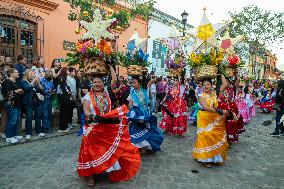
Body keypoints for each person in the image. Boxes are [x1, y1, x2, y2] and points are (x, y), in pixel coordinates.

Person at [77, 66, 140, 186]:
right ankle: (91, 175)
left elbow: (114, 81)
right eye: (95, 82)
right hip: (93, 127)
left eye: (99, 82)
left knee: (109, 148)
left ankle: (110, 169)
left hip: (106, 126)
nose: (97, 84)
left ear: (103, 83)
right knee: (91, 151)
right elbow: (85, 110)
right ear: (91, 83)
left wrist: (110, 65)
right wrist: (93, 117)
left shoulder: (107, 94)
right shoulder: (87, 97)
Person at [192, 78, 229, 168]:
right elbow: (205, 107)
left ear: (211, 85)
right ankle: (205, 159)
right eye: (204, 85)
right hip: (204, 118)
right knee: (205, 136)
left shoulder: (214, 93)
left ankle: (214, 158)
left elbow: (225, 84)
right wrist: (221, 111)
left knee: (214, 136)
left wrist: (220, 70)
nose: (206, 86)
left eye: (208, 84)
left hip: (214, 117)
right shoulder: (201, 95)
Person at [127, 75, 164, 153]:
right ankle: (139, 147)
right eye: (132, 83)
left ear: (139, 83)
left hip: (145, 112)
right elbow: (130, 104)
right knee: (136, 129)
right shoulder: (131, 92)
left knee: (147, 128)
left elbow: (150, 82)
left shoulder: (145, 90)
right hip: (136, 113)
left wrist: (144, 74)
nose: (133, 84)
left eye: (135, 82)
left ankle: (147, 146)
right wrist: (131, 113)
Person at [160, 71, 187, 136]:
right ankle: (168, 129)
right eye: (174, 80)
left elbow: (184, 80)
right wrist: (162, 101)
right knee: (169, 116)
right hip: (171, 104)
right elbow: (167, 95)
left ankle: (180, 131)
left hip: (179, 104)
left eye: (176, 80)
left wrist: (182, 72)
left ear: (179, 81)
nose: (175, 81)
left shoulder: (181, 87)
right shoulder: (171, 88)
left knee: (179, 117)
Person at [1, 69, 24, 144]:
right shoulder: (7, 81)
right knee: (11, 120)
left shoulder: (16, 82)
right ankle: (9, 137)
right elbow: (6, 93)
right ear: (11, 74)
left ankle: (14, 135)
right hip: (11, 104)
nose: (18, 73)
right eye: (16, 72)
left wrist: (20, 91)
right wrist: (17, 91)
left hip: (17, 103)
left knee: (16, 120)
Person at [22, 69, 45, 139]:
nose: (32, 75)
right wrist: (34, 81)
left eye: (33, 73)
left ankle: (38, 131)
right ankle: (28, 133)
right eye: (31, 73)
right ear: (27, 75)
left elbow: (42, 89)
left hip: (37, 101)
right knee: (29, 117)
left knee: (38, 116)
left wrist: (38, 83)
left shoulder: (35, 81)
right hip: (29, 102)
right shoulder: (24, 81)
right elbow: (27, 88)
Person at [57, 67, 71, 132]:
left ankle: (61, 127)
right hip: (63, 98)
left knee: (62, 112)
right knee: (64, 112)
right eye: (68, 70)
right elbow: (63, 87)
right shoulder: (62, 78)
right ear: (65, 71)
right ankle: (63, 128)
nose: (69, 71)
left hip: (62, 97)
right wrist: (68, 92)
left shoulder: (62, 78)